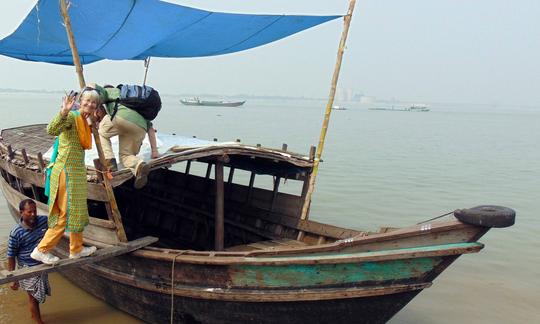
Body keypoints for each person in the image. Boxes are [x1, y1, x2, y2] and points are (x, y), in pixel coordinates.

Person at [30, 88, 98, 265]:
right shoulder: (72, 117)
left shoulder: (84, 120)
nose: (90, 104)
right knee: (64, 213)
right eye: (87, 101)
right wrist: (64, 111)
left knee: (77, 210)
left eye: (94, 102)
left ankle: (76, 249)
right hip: (65, 172)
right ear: (81, 101)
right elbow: (51, 129)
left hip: (75, 173)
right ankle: (41, 250)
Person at [94, 83, 159, 189]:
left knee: (101, 133)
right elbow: (151, 130)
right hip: (140, 128)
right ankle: (139, 165)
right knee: (126, 156)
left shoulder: (111, 91)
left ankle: (110, 162)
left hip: (120, 117)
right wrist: (154, 151)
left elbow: (96, 93)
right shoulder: (137, 106)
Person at [7, 199, 50, 324]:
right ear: (21, 213)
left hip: (41, 264)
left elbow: (56, 224)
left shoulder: (42, 221)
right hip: (27, 267)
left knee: (36, 297)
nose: (33, 214)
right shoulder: (16, 232)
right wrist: (13, 277)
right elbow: (11, 255)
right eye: (29, 212)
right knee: (33, 297)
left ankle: (35, 317)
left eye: (35, 211)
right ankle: (38, 322)